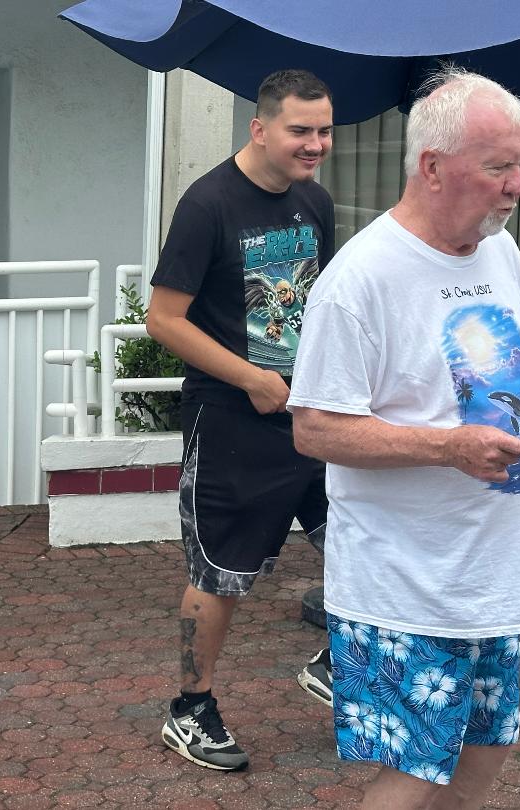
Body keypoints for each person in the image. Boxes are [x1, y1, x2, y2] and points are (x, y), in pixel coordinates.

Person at [288, 67, 520, 809]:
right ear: (432, 166)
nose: (516, 187)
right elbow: (314, 427)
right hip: (405, 580)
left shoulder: (498, 251)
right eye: (498, 168)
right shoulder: (359, 281)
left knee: (489, 747)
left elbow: (519, 366)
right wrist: (447, 448)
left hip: (494, 572)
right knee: (414, 767)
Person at [146, 69, 335, 771]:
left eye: (324, 131)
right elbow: (164, 319)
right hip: (230, 417)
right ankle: (191, 707)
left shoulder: (315, 201)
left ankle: (341, 662)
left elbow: (321, 306)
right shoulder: (208, 204)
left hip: (310, 416)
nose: (315, 144)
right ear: (259, 128)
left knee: (365, 539)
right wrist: (252, 379)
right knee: (221, 573)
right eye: (300, 130)